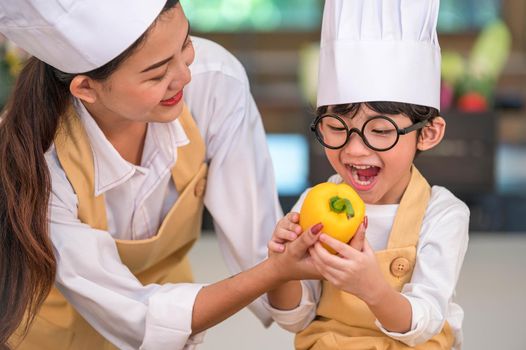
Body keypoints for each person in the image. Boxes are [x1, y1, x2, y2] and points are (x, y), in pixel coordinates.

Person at [0, 1, 320, 349]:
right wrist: (276, 271)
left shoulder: (213, 85)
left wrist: (293, 279)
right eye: (156, 74)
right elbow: (141, 318)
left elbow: (263, 249)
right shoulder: (36, 159)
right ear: (86, 89)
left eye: (184, 43)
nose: (184, 75)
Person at [265, 0, 470, 349]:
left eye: (380, 130)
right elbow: (294, 318)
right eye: (336, 127)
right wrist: (281, 270)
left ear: (428, 133)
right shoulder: (313, 202)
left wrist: (372, 289)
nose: (355, 150)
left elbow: (426, 323)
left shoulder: (442, 214)